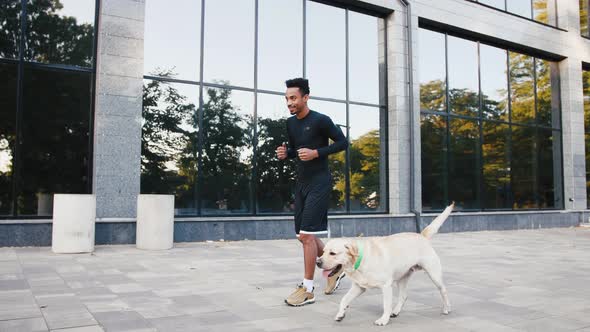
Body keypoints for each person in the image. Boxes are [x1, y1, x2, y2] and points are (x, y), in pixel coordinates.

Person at [276, 78, 348, 306]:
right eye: (287, 98)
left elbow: (343, 143)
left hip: (319, 182)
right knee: (302, 236)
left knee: (307, 236)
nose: (289, 102)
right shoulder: (290, 123)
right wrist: (286, 154)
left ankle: (308, 289)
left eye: (293, 98)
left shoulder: (321, 120)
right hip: (302, 183)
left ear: (305, 97)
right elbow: (296, 151)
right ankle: (335, 268)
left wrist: (317, 153)